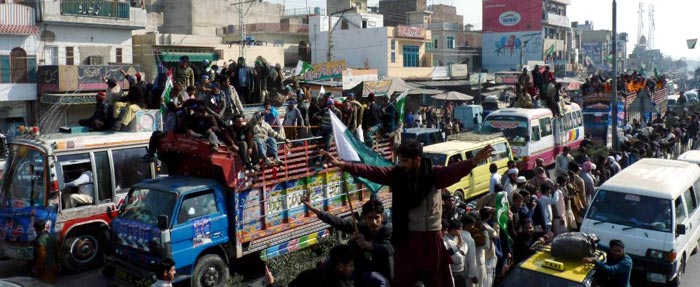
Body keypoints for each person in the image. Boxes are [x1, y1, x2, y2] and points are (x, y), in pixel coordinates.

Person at [322, 140, 494, 287]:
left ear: (417, 160)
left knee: (438, 281)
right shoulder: (398, 175)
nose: (401, 164)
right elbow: (373, 172)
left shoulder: (434, 175)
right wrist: (344, 165)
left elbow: (455, 171)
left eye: (404, 161)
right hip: (406, 239)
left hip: (430, 241)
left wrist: (474, 161)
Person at [303, 197, 394, 283]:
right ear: (364, 217)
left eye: (377, 217)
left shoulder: (388, 231)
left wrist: (367, 245)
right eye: (370, 218)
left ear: (382, 217)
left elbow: (387, 249)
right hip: (361, 273)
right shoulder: (361, 228)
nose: (374, 222)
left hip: (382, 277)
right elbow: (339, 222)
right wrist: (312, 208)